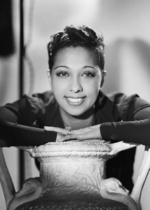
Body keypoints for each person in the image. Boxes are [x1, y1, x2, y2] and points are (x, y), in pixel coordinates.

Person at [0, 25, 150, 192]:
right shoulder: (37, 107)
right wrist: (53, 137)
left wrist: (102, 131)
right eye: (63, 73)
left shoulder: (123, 107)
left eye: (87, 74)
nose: (75, 87)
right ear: (50, 78)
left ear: (101, 78)